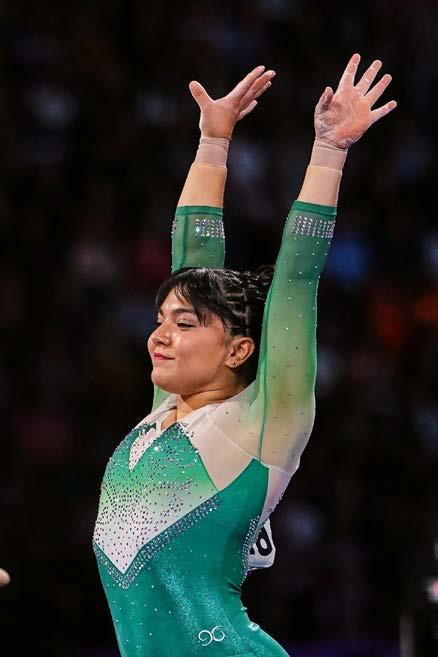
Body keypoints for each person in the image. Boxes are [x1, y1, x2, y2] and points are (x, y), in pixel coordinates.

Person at [93, 54, 396, 657]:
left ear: (239, 349)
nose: (159, 335)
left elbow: (297, 280)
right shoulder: (163, 416)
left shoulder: (263, 423)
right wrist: (212, 142)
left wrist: (329, 150)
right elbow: (192, 261)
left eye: (184, 324)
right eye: (159, 321)